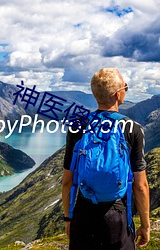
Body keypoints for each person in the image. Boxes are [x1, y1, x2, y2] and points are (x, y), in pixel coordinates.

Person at [62, 68, 150, 250]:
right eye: (126, 87)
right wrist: (145, 225)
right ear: (118, 94)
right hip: (117, 215)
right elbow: (140, 185)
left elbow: (67, 181)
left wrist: (68, 218)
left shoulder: (78, 126)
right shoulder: (132, 129)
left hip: (84, 212)